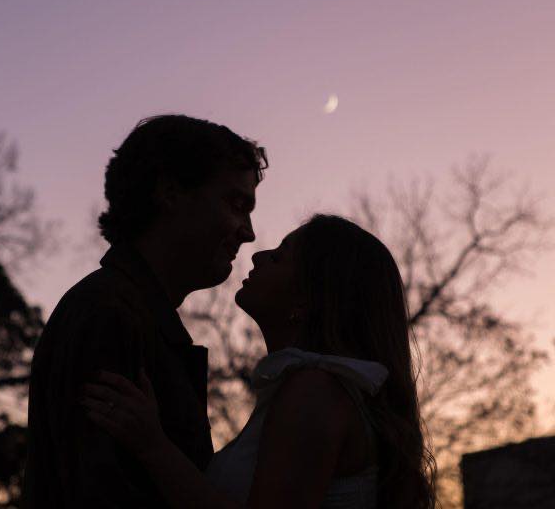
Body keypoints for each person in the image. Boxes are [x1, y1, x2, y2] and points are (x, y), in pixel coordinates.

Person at [80, 214, 439, 509]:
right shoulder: (312, 388)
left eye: (280, 257)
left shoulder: (316, 390)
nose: (257, 256)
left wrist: (152, 446)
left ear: (309, 298)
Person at [22, 115, 268, 507]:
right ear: (170, 193)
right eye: (236, 204)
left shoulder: (131, 312)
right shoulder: (107, 313)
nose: (249, 231)